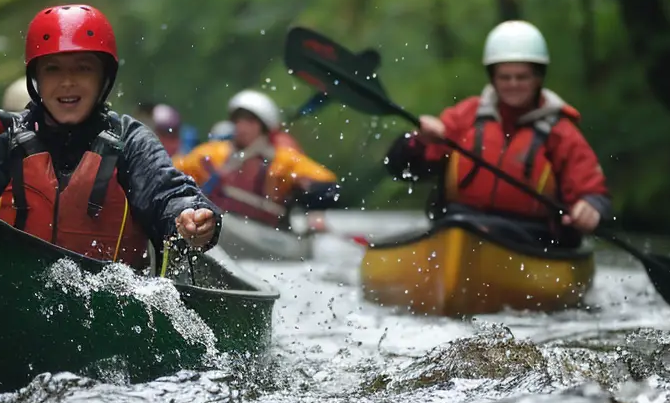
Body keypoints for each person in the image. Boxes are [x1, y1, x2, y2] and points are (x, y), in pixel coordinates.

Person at [0, 4, 219, 269]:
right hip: (15, 295)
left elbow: (168, 194)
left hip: (110, 304)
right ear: (36, 79)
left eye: (83, 68)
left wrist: (190, 217)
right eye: (53, 69)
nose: (67, 82)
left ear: (104, 79)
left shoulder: (131, 142)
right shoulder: (6, 139)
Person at [383, 20, 609, 246]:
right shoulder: (465, 116)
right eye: (505, 77)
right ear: (493, 77)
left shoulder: (560, 133)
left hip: (530, 238)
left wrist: (591, 207)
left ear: (538, 78)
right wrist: (419, 141)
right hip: (458, 226)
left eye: (522, 77)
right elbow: (400, 167)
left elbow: (591, 190)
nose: (513, 84)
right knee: (457, 226)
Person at [173, 89, 342, 229]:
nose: (242, 126)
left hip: (267, 232)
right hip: (220, 223)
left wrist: (306, 192)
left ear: (264, 128)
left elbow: (329, 186)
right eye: (238, 120)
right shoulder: (213, 155)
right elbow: (171, 171)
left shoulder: (282, 161)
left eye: (250, 121)